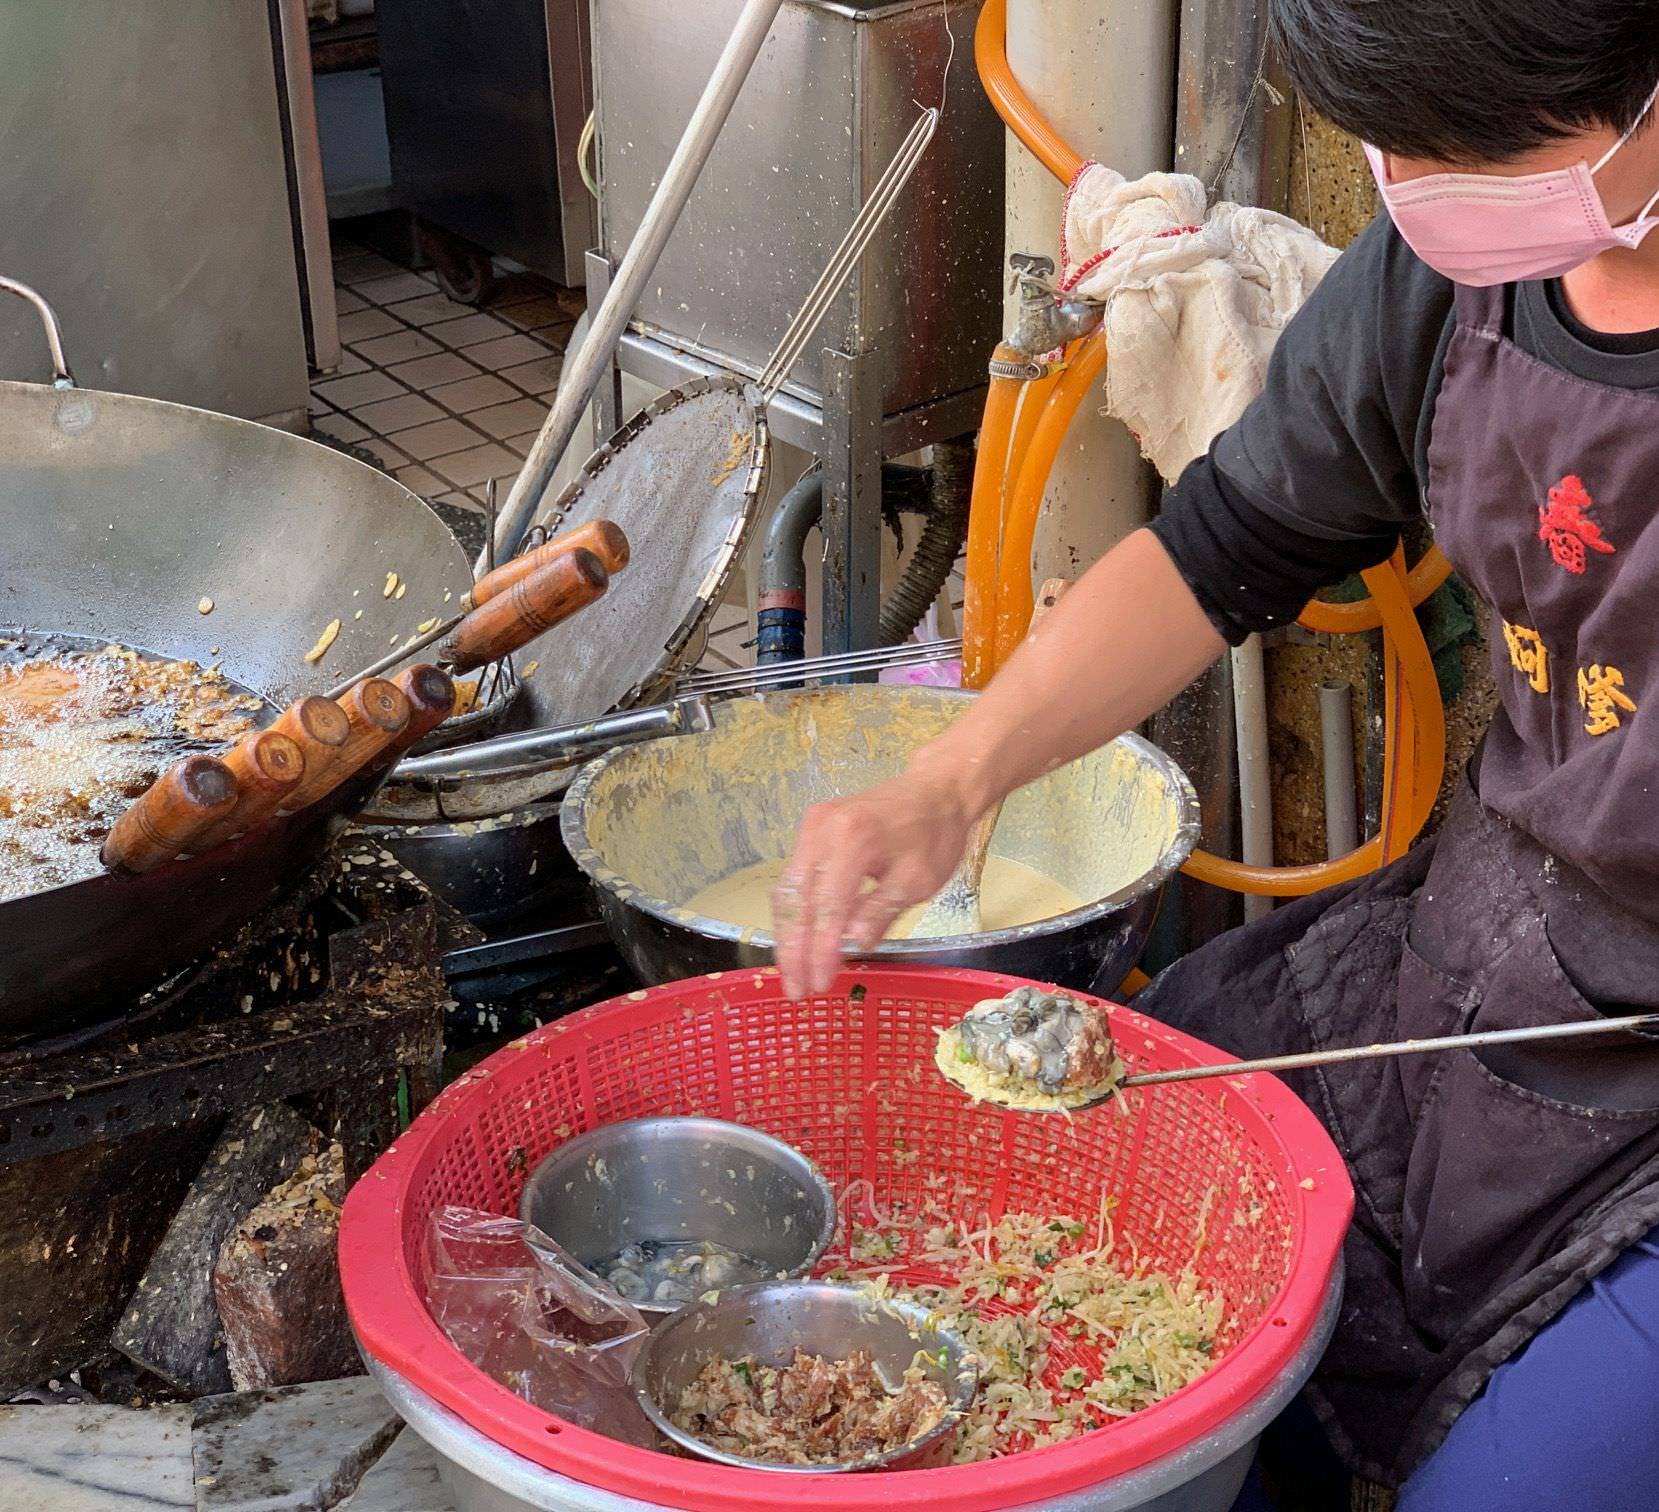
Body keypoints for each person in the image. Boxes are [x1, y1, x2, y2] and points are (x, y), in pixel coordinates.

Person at [772, 2, 1659, 1506]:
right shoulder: (1456, 268)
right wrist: (955, 777)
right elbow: (1224, 544)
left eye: (1486, 151)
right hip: (1498, 947)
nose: (1427, 188)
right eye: (1406, 150)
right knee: (1160, 1292)